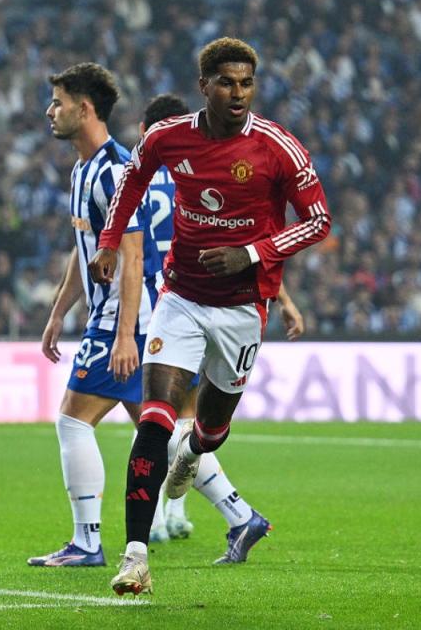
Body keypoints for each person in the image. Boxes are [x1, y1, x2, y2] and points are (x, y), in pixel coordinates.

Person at [88, 38, 331, 595]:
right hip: (180, 299)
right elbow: (131, 182)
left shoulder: (277, 147)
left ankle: (194, 453)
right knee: (154, 419)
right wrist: (108, 241)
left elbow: (318, 220)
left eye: (246, 82)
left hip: (244, 308)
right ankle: (135, 557)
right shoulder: (169, 137)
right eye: (226, 82)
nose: (238, 92)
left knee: (213, 428)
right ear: (205, 86)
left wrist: (251, 254)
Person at [137, 94, 305, 546]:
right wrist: (284, 299)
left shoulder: (163, 177)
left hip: (167, 307)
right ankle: (182, 514)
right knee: (177, 423)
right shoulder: (192, 175)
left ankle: (181, 516)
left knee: (160, 423)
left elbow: (241, 243)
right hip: (190, 303)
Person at [26, 62, 159, 568]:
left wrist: (125, 335)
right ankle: (238, 513)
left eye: (58, 101)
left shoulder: (117, 172)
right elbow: (85, 253)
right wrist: (58, 313)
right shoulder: (83, 170)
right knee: (156, 433)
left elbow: (132, 254)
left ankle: (87, 542)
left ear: (85, 109)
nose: (49, 111)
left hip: (125, 320)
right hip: (114, 319)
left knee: (72, 422)